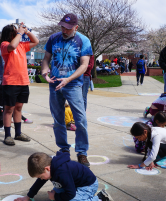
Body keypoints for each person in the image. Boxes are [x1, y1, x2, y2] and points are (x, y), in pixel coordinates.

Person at [41, 13, 93, 167]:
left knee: (80, 120)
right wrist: (44, 72)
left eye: (68, 28)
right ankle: (64, 149)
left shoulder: (83, 40)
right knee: (58, 120)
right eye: (63, 26)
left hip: (73, 85)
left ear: (76, 27)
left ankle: (82, 152)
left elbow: (84, 65)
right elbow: (45, 59)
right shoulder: (53, 38)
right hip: (54, 84)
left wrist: (68, 79)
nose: (64, 30)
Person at [14, 152, 113, 201]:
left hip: (87, 186)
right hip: (73, 183)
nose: (41, 179)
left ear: (47, 169)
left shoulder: (61, 172)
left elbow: (70, 194)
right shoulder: (49, 166)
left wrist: (56, 197)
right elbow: (39, 182)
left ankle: (100, 198)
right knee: (57, 196)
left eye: (40, 176)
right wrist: (28, 196)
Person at [0, 22, 39, 146]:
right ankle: (7, 136)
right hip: (10, 82)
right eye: (15, 30)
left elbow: (36, 41)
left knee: (18, 108)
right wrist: (20, 33)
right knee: (9, 109)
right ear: (10, 33)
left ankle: (18, 133)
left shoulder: (22, 45)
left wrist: (26, 31)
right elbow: (12, 46)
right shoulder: (4, 44)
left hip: (23, 82)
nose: (17, 30)